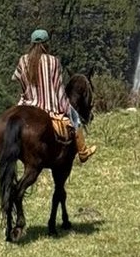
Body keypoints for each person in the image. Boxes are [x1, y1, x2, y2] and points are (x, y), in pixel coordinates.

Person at [14, 28, 96, 163]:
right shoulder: (53, 61)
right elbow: (58, 89)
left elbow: (22, 84)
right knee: (76, 120)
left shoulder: (23, 60)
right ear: (46, 44)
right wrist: (66, 107)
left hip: (27, 105)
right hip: (48, 106)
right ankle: (83, 152)